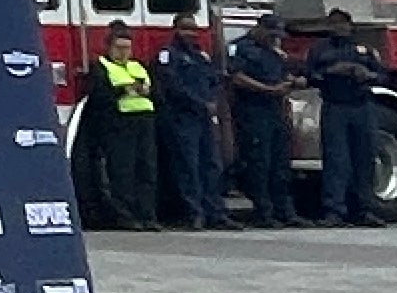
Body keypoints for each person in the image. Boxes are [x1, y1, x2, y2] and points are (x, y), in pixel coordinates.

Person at [76, 23, 159, 231]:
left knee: (147, 170)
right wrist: (123, 90)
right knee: (123, 172)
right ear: (109, 48)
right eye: (119, 48)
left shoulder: (138, 66)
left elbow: (156, 92)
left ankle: (148, 215)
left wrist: (144, 90)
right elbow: (98, 96)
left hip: (144, 123)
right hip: (118, 125)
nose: (123, 53)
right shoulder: (101, 67)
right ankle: (125, 216)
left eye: (127, 48)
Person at [154, 23, 231, 230]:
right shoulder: (168, 55)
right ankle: (193, 213)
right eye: (185, 29)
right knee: (188, 167)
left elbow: (215, 79)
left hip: (204, 118)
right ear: (176, 30)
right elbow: (171, 85)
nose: (190, 34)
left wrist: (213, 100)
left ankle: (216, 212)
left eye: (193, 30)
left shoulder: (201, 56)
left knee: (212, 165)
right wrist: (200, 102)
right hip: (182, 117)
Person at [226, 15, 299, 226]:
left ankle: (285, 211)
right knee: (259, 163)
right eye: (272, 34)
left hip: (276, 111)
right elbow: (236, 77)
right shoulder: (240, 48)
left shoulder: (275, 52)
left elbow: (285, 73)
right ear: (260, 29)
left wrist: (292, 82)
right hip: (253, 111)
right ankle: (263, 212)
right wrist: (268, 89)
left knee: (280, 163)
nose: (275, 39)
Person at [307, 24, 381, 226]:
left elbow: (383, 75)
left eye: (342, 23)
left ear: (350, 25)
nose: (338, 27)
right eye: (334, 22)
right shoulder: (320, 49)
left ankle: (364, 210)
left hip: (362, 106)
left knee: (365, 159)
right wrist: (333, 71)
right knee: (336, 161)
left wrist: (366, 74)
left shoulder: (363, 48)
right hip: (335, 106)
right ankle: (335, 211)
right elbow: (310, 75)